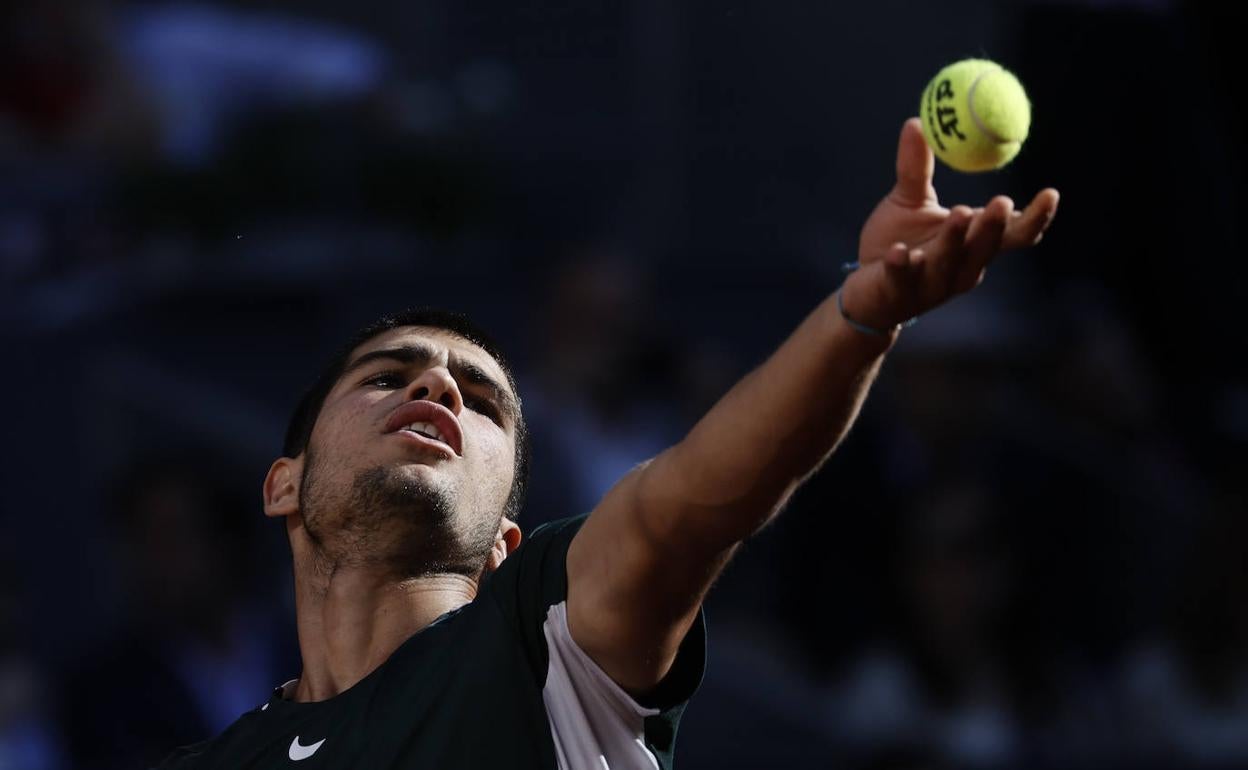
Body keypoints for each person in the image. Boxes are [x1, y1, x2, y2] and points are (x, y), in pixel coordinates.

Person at [155, 119, 1059, 769]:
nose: (435, 389)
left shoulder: (545, 645)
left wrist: (859, 316)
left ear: (507, 546)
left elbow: (690, 508)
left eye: (481, 402)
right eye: (388, 376)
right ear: (284, 483)